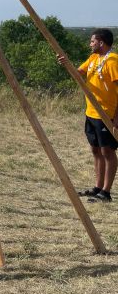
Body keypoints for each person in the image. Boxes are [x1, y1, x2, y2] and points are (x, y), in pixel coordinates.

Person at [59, 28, 118, 203]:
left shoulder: (113, 61)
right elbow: (78, 74)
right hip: (91, 112)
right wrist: (67, 64)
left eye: (92, 41)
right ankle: (98, 187)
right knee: (96, 150)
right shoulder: (93, 58)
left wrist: (116, 117)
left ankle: (106, 193)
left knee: (108, 151)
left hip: (106, 114)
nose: (90, 44)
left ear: (101, 42)